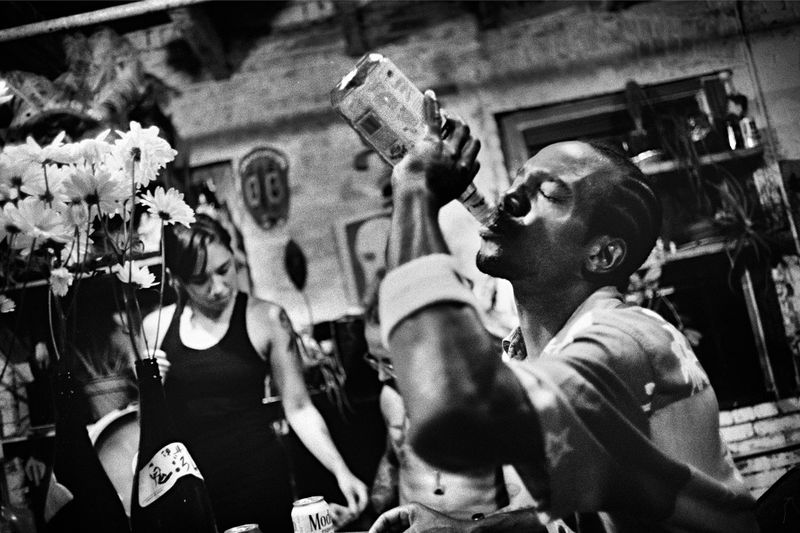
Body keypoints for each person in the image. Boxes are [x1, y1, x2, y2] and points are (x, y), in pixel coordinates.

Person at [369, 91, 757, 532]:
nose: (512, 197)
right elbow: (561, 514)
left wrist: (415, 188)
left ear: (602, 255)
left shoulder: (628, 340)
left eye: (549, 194)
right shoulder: (530, 354)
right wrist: (464, 530)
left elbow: (454, 413)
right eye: (517, 181)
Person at [141, 214, 367, 532]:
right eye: (200, 279)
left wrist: (340, 470)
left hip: (258, 478)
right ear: (175, 279)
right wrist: (151, 387)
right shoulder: (155, 327)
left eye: (224, 269)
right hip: (190, 489)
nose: (218, 287)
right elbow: (150, 428)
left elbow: (298, 407)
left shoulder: (268, 318)